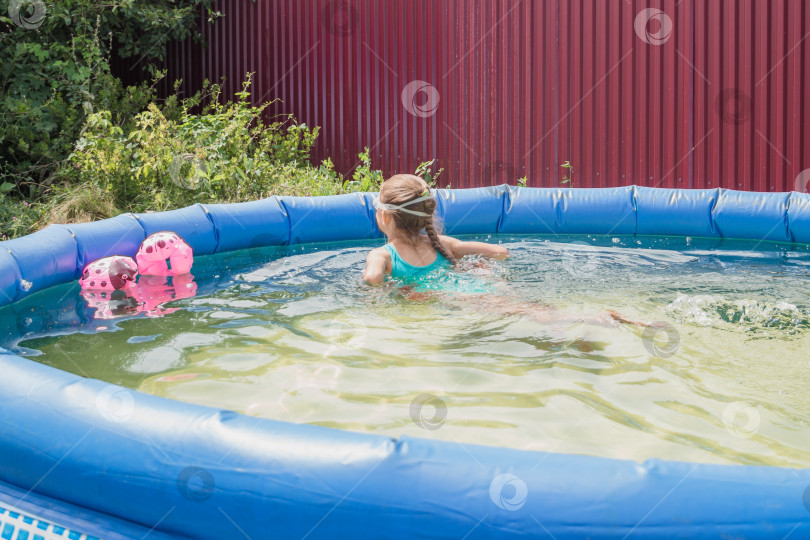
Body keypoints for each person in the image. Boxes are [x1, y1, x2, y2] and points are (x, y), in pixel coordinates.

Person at [362, 174, 648, 327]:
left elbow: (373, 280)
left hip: (453, 296)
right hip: (476, 284)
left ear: (384, 217)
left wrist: (398, 289)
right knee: (529, 310)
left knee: (528, 315)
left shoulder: (382, 256)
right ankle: (587, 325)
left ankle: (595, 318)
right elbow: (500, 252)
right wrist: (479, 270)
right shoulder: (444, 243)